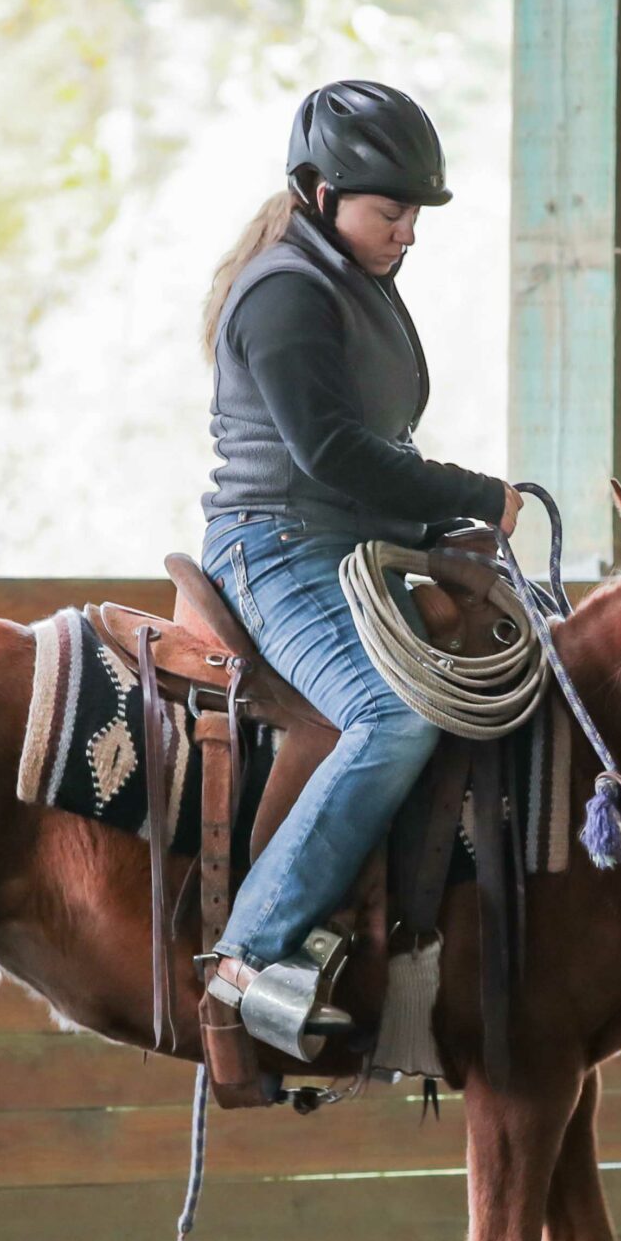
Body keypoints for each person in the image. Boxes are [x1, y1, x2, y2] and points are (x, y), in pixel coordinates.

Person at [195, 79, 519, 1056]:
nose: (409, 231)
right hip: (275, 546)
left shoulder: (352, 283)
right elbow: (330, 454)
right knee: (394, 714)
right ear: (321, 192)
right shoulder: (288, 291)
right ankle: (246, 958)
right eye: (392, 210)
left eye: (415, 211)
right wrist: (469, 492)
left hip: (351, 549)